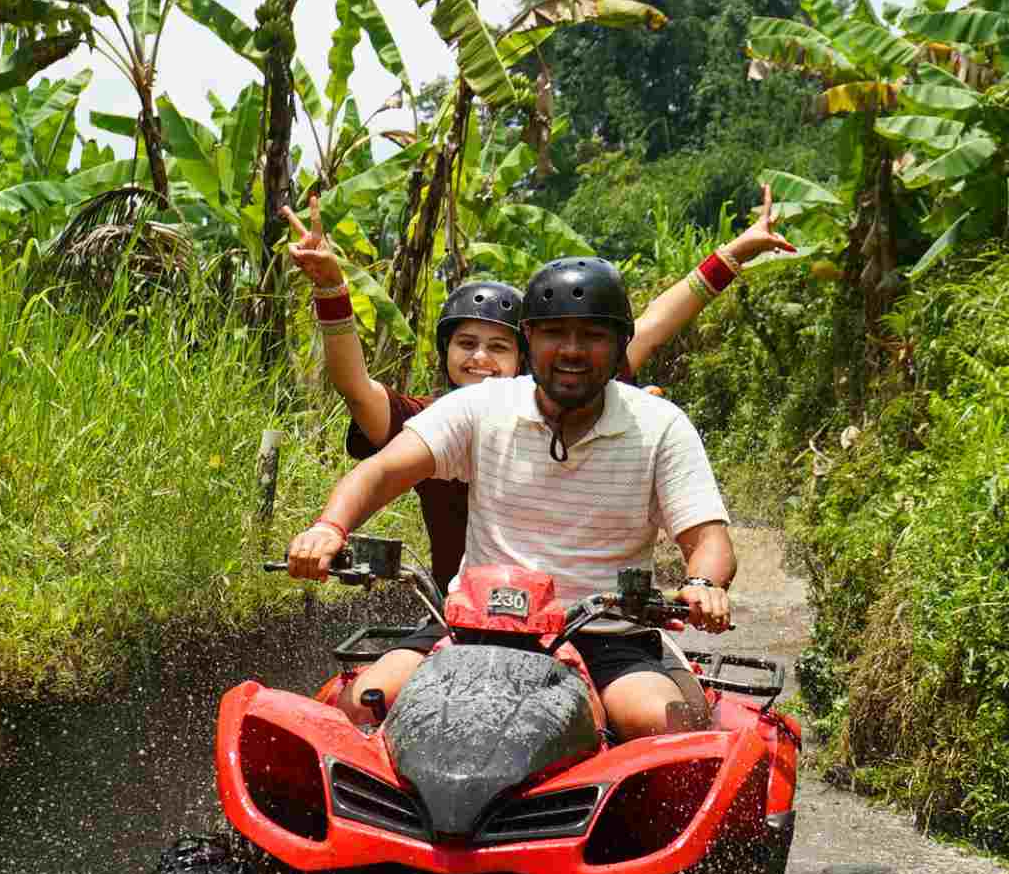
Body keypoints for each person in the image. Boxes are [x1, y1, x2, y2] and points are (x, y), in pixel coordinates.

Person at [286, 257, 738, 742]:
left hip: (609, 638)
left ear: (620, 343)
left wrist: (702, 584)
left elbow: (708, 539)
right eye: (554, 333)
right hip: (474, 626)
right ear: (529, 339)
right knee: (364, 703)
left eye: (592, 335)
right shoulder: (481, 405)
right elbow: (382, 471)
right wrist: (329, 528)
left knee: (662, 724)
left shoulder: (659, 424)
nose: (572, 350)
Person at [280, 186, 792, 595]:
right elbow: (364, 423)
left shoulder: (607, 393)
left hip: (591, 625)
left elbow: (655, 322)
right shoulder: (454, 413)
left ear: (524, 354)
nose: (481, 360)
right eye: (466, 344)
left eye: (497, 347)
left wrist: (734, 253)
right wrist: (329, 527)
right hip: (466, 617)